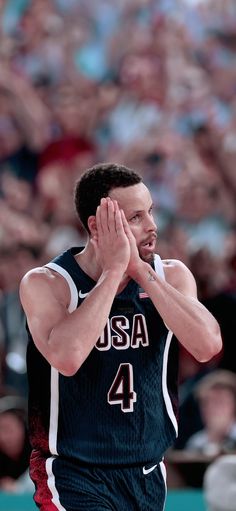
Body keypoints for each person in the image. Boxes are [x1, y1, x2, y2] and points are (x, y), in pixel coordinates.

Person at [19, 163, 222, 511]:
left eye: (151, 213)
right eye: (136, 217)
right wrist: (113, 273)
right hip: (72, 472)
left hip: (145, 470)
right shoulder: (48, 283)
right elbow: (67, 357)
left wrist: (140, 272)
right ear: (98, 226)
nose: (152, 226)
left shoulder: (168, 276)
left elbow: (208, 346)